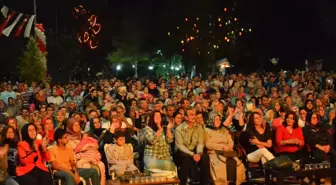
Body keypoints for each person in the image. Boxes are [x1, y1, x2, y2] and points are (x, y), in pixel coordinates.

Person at [205, 114, 246, 185]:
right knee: (221, 167)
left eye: (219, 119)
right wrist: (222, 146)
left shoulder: (224, 130)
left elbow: (230, 141)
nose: (218, 121)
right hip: (214, 152)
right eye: (216, 120)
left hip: (228, 151)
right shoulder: (206, 130)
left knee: (239, 165)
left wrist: (229, 147)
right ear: (211, 120)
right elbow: (207, 144)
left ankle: (234, 182)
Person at [175, 108, 211, 185]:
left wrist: (199, 153)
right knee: (186, 157)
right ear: (186, 117)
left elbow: (200, 143)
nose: (194, 116)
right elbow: (180, 146)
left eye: (194, 114)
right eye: (191, 115)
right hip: (182, 152)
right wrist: (192, 154)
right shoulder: (179, 129)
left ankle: (205, 183)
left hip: (194, 150)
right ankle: (183, 182)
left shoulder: (199, 127)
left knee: (205, 158)